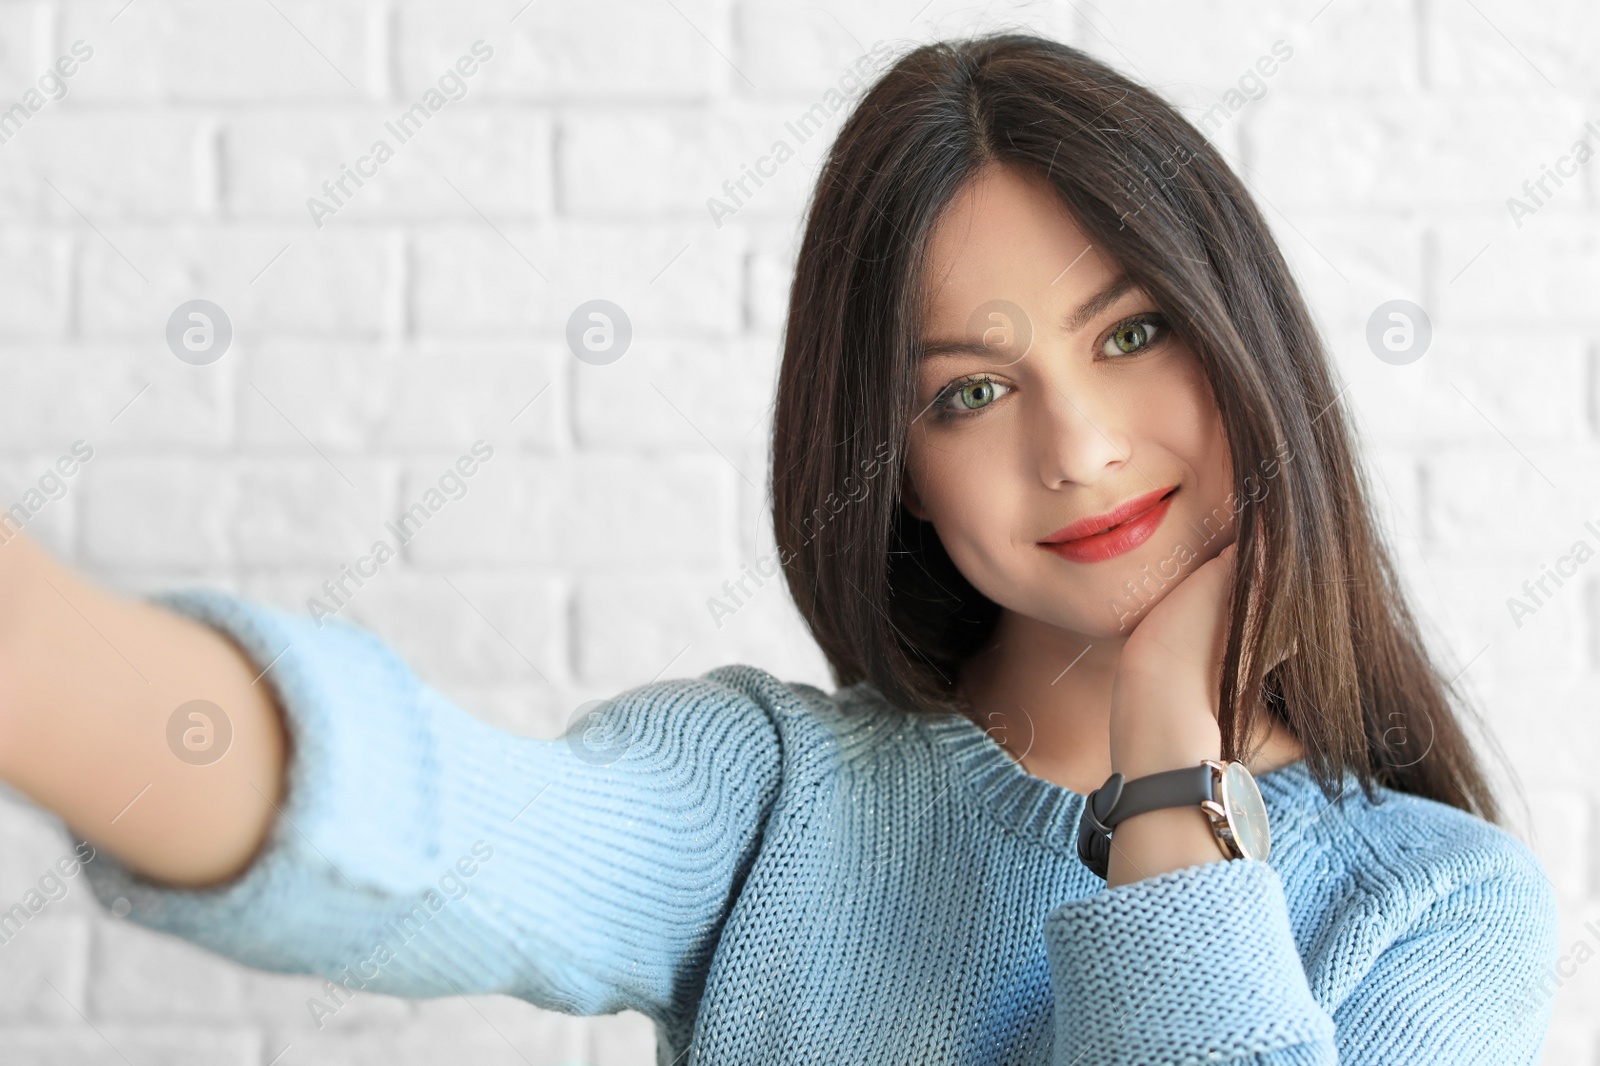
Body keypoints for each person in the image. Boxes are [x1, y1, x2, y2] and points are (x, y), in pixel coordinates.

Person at [0, 32, 1558, 1065]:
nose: (1074, 445)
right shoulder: (772, 800)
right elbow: (439, 825)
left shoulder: (1444, 905)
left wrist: (1165, 773)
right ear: (898, 468)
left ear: (1245, 339)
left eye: (1131, 331)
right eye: (970, 388)